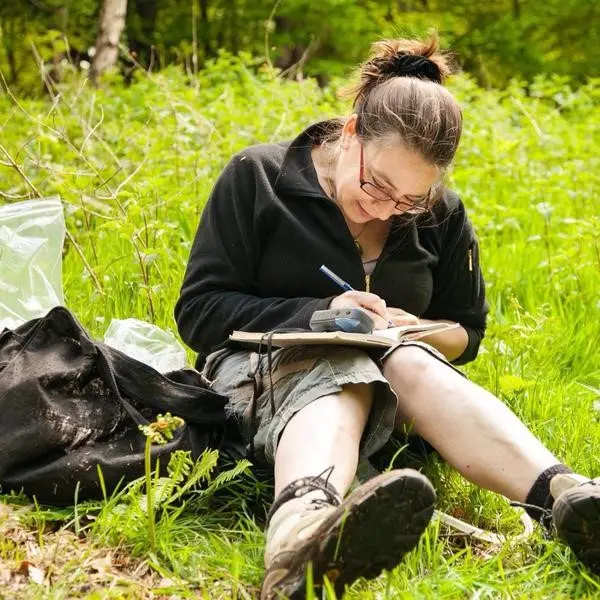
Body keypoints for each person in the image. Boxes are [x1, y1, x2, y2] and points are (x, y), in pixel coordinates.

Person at [175, 37, 599, 599]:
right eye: (375, 184)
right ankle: (298, 537)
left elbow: (466, 330)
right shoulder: (259, 176)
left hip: (396, 387)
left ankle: (567, 499)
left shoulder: (440, 213)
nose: (384, 208)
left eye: (408, 200)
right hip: (261, 374)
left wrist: (416, 332)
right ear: (350, 133)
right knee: (344, 369)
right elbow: (199, 311)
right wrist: (320, 313)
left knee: (407, 362)